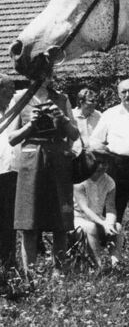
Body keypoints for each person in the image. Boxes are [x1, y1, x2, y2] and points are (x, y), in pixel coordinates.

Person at [8, 76, 79, 275]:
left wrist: (62, 119)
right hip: (31, 161)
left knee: (60, 221)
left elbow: (74, 134)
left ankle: (60, 272)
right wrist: (30, 124)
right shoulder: (20, 99)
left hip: (58, 161)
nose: (43, 77)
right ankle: (29, 274)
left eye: (47, 72)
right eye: (38, 72)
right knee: (28, 220)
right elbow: (12, 138)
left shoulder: (62, 99)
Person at [91, 80, 129, 243]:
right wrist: (107, 155)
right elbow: (95, 141)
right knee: (114, 205)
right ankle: (110, 241)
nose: (127, 95)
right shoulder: (109, 114)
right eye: (123, 92)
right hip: (117, 165)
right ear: (118, 94)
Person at [73, 151, 123, 267]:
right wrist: (103, 223)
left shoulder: (109, 181)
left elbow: (111, 208)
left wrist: (109, 223)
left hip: (98, 217)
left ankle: (115, 263)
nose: (101, 167)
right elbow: (85, 208)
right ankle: (98, 265)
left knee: (118, 227)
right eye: (98, 163)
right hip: (78, 218)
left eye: (105, 163)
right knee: (91, 227)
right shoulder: (80, 180)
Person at [0, 76, 17, 269]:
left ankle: (8, 264)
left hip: (9, 172)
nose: (12, 92)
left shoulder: (10, 113)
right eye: (9, 88)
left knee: (8, 221)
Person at [72, 88, 101, 154]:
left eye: (95, 101)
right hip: (75, 155)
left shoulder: (99, 116)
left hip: (95, 154)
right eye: (91, 101)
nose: (95, 103)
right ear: (81, 101)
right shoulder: (71, 116)